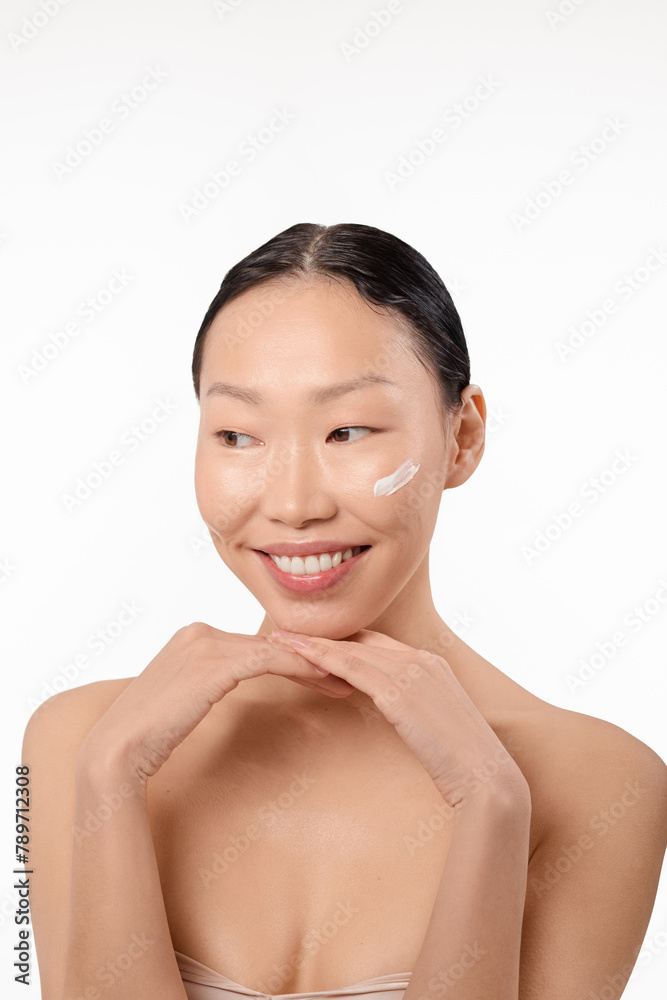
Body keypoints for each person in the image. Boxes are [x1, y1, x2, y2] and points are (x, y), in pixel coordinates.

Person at [24, 223, 667, 1000]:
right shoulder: (81, 742)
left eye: (348, 431)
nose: (293, 504)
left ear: (462, 437)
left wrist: (489, 804)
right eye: (237, 435)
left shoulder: (596, 783)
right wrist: (112, 778)